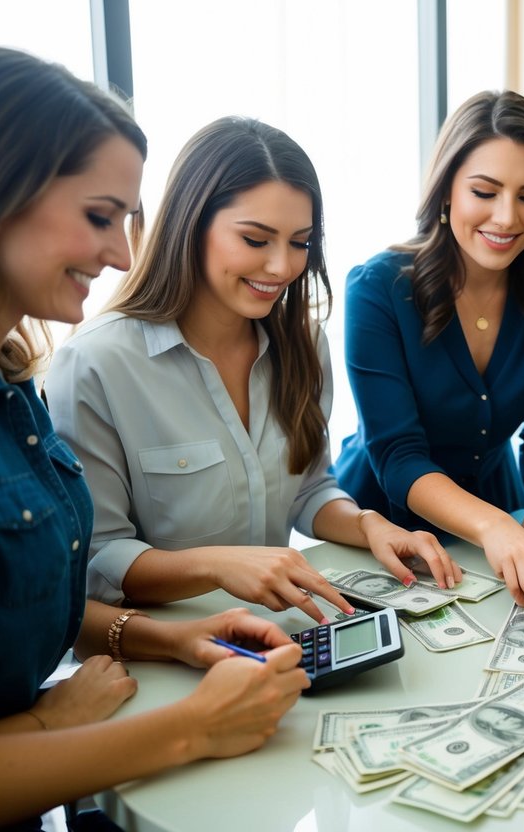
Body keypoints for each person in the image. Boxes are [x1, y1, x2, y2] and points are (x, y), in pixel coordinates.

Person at [0, 47, 308, 830]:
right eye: (100, 216)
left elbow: (26, 595)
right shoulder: (95, 363)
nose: (124, 252)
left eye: (128, 221)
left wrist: (175, 639)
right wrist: (189, 727)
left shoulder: (13, 384)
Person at [44, 117, 460, 625]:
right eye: (256, 240)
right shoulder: (95, 364)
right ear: (191, 225)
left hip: (280, 636)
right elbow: (99, 559)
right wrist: (219, 566)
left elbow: (308, 490)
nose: (283, 267)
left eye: (301, 242)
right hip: (163, 652)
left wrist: (369, 524)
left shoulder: (304, 343)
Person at [333, 91, 524, 610]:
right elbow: (398, 456)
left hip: (501, 515)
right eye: (485, 192)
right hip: (381, 524)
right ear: (446, 191)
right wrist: (491, 525)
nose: (507, 217)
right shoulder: (377, 289)